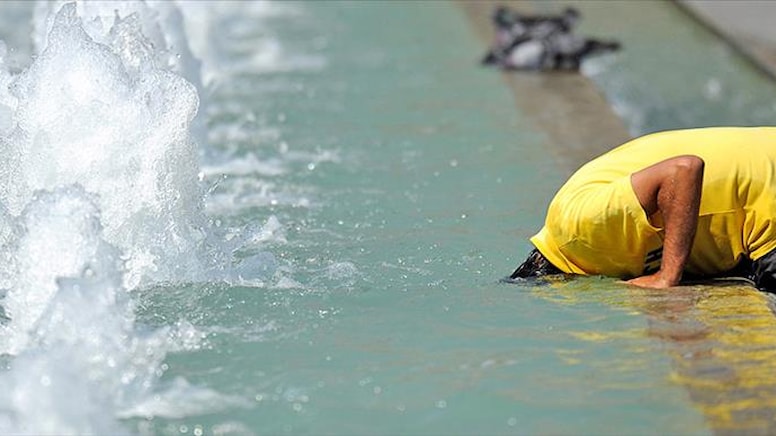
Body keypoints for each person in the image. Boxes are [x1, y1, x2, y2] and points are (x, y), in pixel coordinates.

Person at [511, 127, 776, 291]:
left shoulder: (579, 231)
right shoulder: (592, 244)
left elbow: (683, 170)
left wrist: (667, 276)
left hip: (765, 193)